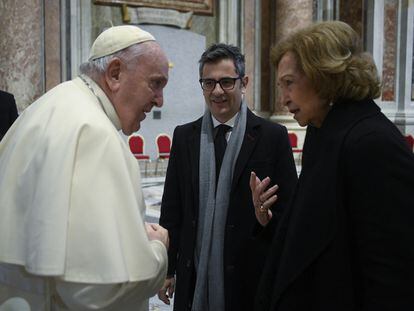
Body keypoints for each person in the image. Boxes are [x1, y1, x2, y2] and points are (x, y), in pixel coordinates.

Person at [0, 25, 170, 310]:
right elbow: (97, 292)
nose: (160, 100)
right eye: (156, 83)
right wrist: (157, 249)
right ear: (115, 73)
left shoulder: (51, 105)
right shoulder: (94, 133)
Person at [251, 21, 414, 311]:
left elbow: (392, 274)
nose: (283, 98)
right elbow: (318, 233)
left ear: (323, 76)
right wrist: (270, 220)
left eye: (289, 83)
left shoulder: (371, 142)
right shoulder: (323, 132)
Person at [158, 43, 298, 311]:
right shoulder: (184, 137)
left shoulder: (272, 137)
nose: (217, 91)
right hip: (194, 277)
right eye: (208, 83)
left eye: (226, 82)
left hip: (248, 277)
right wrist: (168, 268)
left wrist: (266, 219)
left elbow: (290, 213)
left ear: (243, 83)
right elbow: (172, 210)